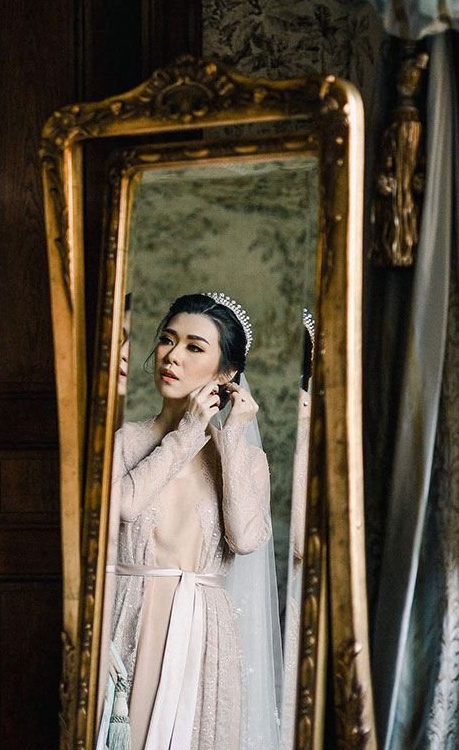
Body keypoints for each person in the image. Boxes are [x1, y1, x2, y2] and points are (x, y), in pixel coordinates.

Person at [98, 292, 276, 750]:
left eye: (194, 347)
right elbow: (124, 506)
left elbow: (246, 537)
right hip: (129, 620)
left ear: (226, 374)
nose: (172, 356)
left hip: (203, 633)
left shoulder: (246, 459)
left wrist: (232, 436)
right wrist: (188, 432)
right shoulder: (123, 441)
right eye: (167, 339)